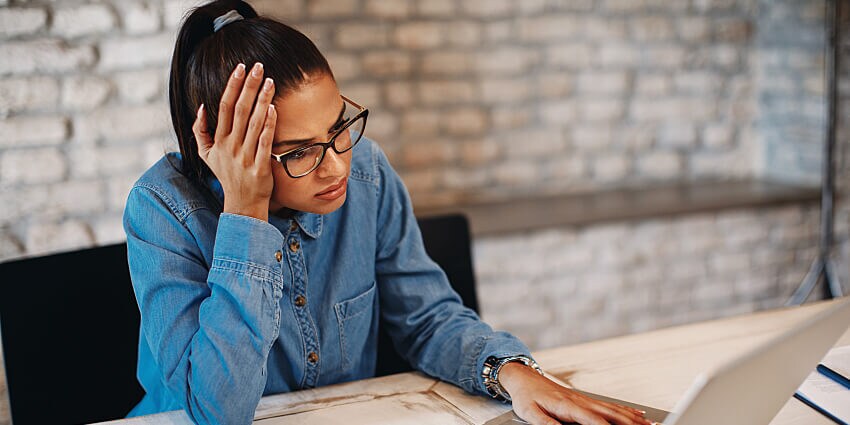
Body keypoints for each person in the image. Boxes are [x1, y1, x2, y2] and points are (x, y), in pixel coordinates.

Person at [122, 1, 653, 424]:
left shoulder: (369, 173)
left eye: (338, 129)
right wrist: (245, 212)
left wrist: (512, 372)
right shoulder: (162, 210)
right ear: (228, 149)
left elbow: (427, 318)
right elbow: (219, 411)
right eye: (300, 151)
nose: (337, 168)